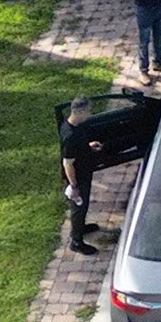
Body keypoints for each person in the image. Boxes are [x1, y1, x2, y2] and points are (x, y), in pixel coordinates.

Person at [58, 94, 99, 254]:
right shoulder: (70, 136)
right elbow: (67, 164)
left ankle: (81, 227)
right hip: (78, 177)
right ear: (80, 112)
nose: (90, 113)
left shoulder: (75, 126)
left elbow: (77, 148)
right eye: (88, 110)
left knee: (83, 205)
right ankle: (76, 241)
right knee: (79, 207)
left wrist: (87, 146)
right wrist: (74, 186)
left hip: (83, 171)